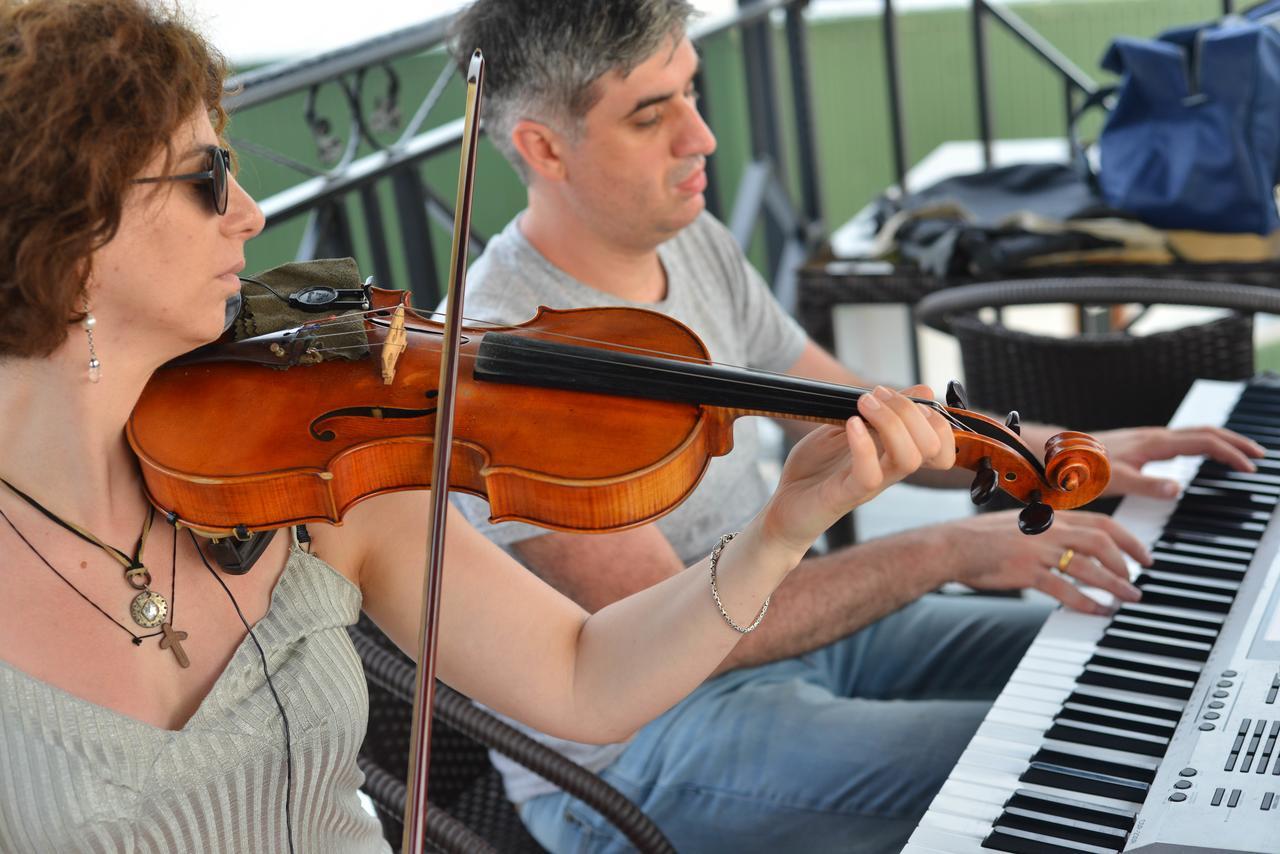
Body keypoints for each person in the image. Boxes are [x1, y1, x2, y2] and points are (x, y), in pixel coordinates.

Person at [0, 2, 960, 852]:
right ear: (69, 229)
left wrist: (784, 526)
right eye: (206, 177)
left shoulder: (312, 458)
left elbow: (586, 678)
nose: (248, 215)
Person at [446, 1, 1267, 851]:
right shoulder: (503, 364)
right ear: (543, 147)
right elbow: (668, 639)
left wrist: (1047, 447)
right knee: (1088, 762)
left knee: (1141, 674)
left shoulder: (686, 242)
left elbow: (855, 403)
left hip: (795, 629)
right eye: (652, 115)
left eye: (691, 91)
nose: (703, 138)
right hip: (640, 742)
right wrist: (948, 552)